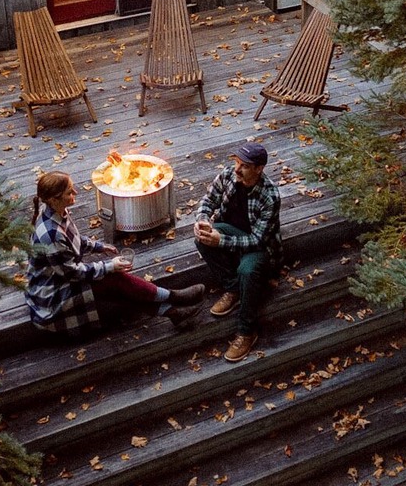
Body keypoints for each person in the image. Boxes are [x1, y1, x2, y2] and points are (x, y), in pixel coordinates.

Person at [26, 171, 204, 336]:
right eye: (69, 192)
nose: (76, 192)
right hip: (52, 295)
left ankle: (173, 312)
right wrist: (109, 266)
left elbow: (75, 239)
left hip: (63, 278)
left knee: (115, 284)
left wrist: (98, 246)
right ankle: (173, 297)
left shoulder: (55, 212)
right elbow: (73, 273)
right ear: (54, 199)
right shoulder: (51, 234)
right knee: (113, 279)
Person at [193, 142, 282, 362]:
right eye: (237, 163)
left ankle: (246, 331)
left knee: (247, 271)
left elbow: (257, 240)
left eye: (244, 166)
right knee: (203, 238)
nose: (237, 169)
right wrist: (202, 220)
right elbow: (208, 200)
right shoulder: (227, 176)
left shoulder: (269, 196)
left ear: (259, 169)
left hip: (259, 247)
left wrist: (221, 240)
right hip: (232, 234)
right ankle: (233, 289)